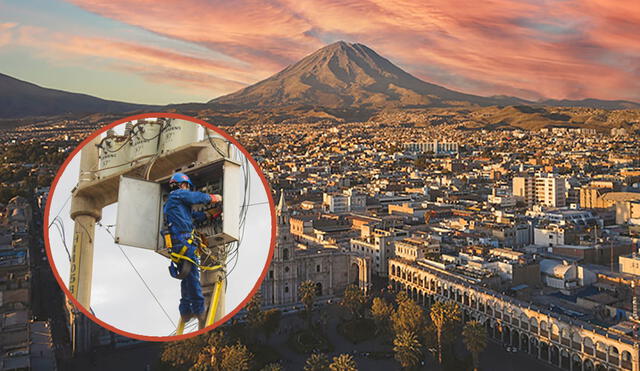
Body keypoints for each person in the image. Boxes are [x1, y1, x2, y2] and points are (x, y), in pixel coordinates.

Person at [163, 172, 222, 328]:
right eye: (187, 187)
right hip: (184, 242)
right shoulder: (177, 195)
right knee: (193, 277)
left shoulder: (175, 205)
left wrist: (209, 214)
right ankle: (198, 310)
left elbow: (193, 217)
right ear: (183, 185)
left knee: (187, 279)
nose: (187, 190)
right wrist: (213, 198)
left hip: (179, 243)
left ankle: (185, 311)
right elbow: (196, 198)